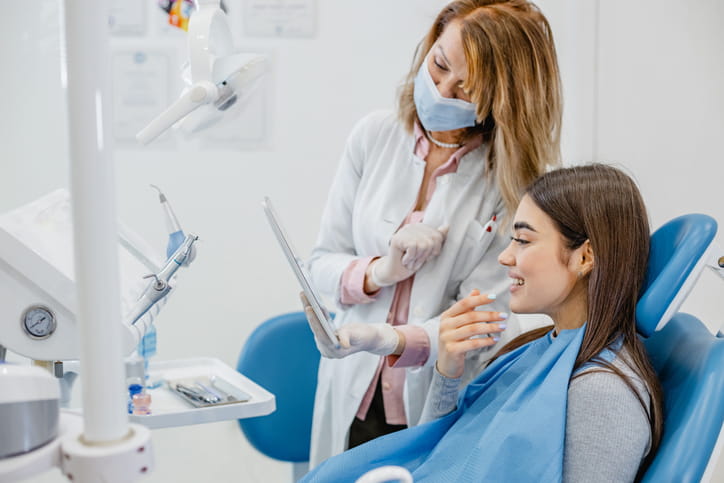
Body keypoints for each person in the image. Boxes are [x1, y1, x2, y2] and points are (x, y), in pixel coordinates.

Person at [303, 0, 562, 466]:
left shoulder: (513, 187)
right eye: (440, 65)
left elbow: (482, 321)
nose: (441, 90)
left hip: (432, 402)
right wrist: (381, 270)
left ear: (499, 100)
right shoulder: (373, 136)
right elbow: (320, 263)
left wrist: (389, 339)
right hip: (353, 389)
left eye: (466, 89)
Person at [301, 164, 665, 482]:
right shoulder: (538, 349)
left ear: (585, 256)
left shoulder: (602, 393)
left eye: (523, 240)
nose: (506, 257)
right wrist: (447, 368)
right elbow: (441, 450)